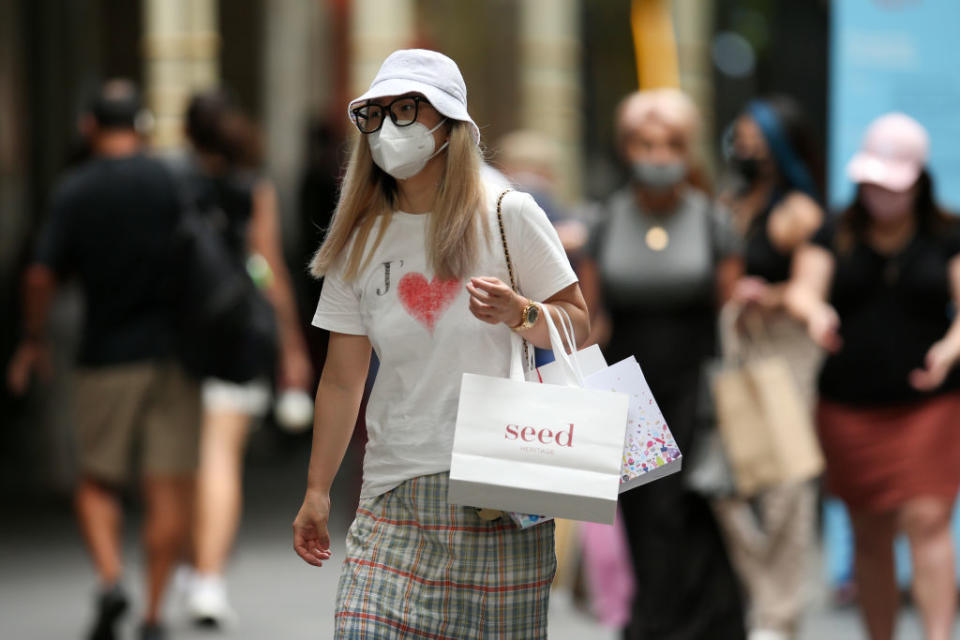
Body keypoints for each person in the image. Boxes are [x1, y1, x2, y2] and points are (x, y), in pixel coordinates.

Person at [291, 48, 585, 638]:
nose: (387, 129)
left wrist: (519, 311)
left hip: (500, 485)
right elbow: (343, 379)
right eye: (374, 115)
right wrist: (317, 491)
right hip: (392, 493)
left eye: (407, 109)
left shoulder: (508, 213)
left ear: (450, 126)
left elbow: (577, 322)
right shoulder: (358, 240)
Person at [6, 80, 198, 640]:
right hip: (176, 356)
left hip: (106, 355)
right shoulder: (172, 180)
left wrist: (33, 335)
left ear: (89, 126)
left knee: (96, 480)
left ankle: (113, 581)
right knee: (168, 488)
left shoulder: (76, 190)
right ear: (140, 126)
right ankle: (155, 613)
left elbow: (40, 273)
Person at [578, 88, 746, 640]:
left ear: (688, 149)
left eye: (670, 144)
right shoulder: (605, 219)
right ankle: (650, 621)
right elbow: (588, 313)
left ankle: (696, 624)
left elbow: (730, 311)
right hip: (627, 381)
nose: (657, 156)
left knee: (689, 504)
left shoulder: (711, 221)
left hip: (693, 381)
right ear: (627, 148)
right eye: (645, 144)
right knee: (642, 509)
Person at [786, 113, 960, 640]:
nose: (880, 196)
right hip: (849, 406)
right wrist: (816, 315)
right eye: (872, 184)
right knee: (869, 529)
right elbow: (802, 289)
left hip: (929, 403)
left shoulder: (947, 234)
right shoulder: (833, 228)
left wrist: (950, 350)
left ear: (918, 181)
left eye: (892, 186)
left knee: (928, 521)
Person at [175, 89, 314, 627]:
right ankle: (208, 580)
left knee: (179, 461)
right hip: (235, 334)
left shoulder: (173, 184)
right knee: (219, 460)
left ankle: (192, 565)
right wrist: (290, 344)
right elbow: (268, 265)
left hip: (178, 336)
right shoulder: (253, 187)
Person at [712, 96, 825, 640]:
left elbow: (809, 290)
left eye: (758, 138)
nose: (746, 147)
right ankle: (760, 598)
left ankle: (778, 616)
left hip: (781, 355)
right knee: (725, 482)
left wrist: (771, 294)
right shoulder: (730, 202)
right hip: (730, 353)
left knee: (785, 491)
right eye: (741, 137)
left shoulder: (799, 211)